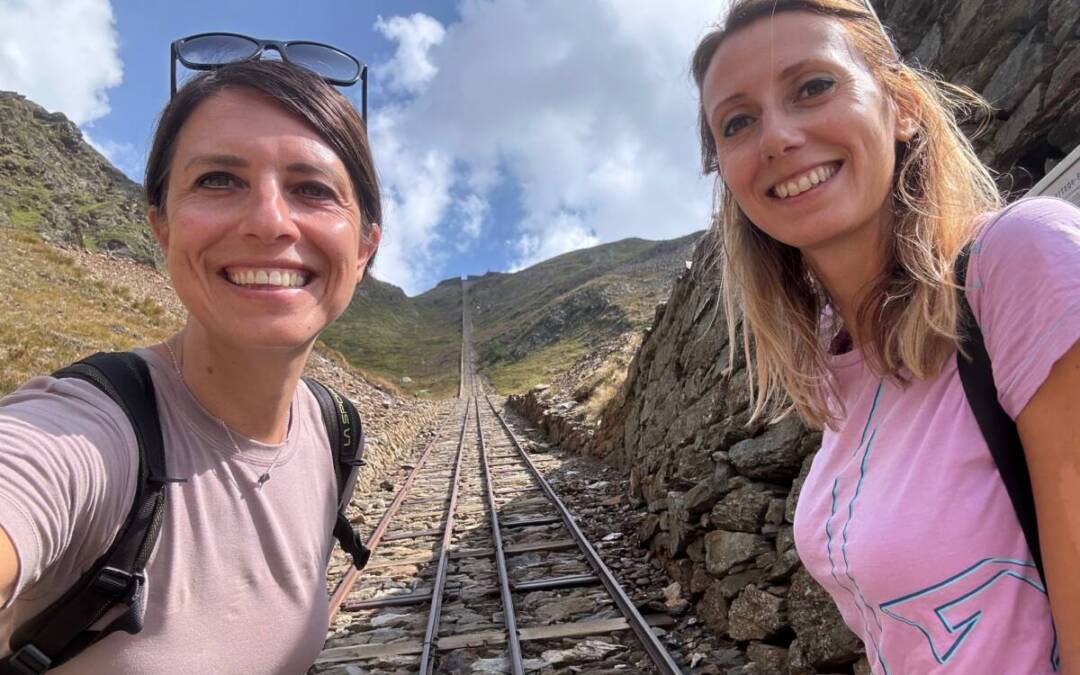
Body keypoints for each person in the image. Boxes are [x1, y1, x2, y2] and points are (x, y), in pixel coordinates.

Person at [691, 1, 1079, 673]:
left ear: (900, 105)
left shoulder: (1020, 261)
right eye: (738, 121)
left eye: (812, 86)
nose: (775, 137)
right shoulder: (834, 359)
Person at [0, 49, 381, 672]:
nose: (268, 221)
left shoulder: (331, 430)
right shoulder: (84, 436)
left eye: (312, 189)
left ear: (365, 246)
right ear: (162, 226)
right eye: (218, 180)